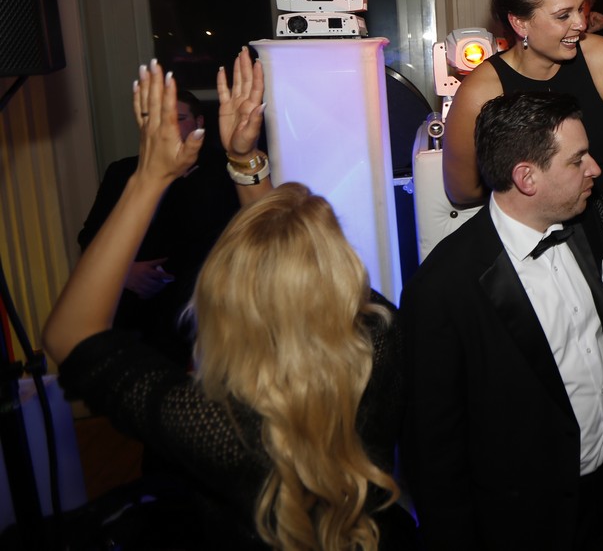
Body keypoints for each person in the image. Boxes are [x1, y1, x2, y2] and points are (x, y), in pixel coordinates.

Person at [44, 52, 413, 549]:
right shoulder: (383, 337)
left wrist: (149, 177)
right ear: (340, 272)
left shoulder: (218, 429)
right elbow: (300, 264)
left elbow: (71, 336)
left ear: (222, 310)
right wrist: (244, 159)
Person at [439, 0, 603, 543]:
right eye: (563, 15)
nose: (580, 24)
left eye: (580, 9)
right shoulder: (482, 91)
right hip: (536, 243)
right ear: (519, 23)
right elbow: (461, 189)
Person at [401, 91, 603, 550]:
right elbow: (434, 458)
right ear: (526, 177)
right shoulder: (442, 291)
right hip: (527, 519)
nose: (595, 169)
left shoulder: (581, 221)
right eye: (577, 160)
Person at [76, 88, 240, 367]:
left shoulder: (223, 171)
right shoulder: (122, 172)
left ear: (199, 123)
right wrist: (124, 272)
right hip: (132, 314)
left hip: (203, 309)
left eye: (180, 118)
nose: (170, 126)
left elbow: (228, 237)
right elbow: (89, 237)